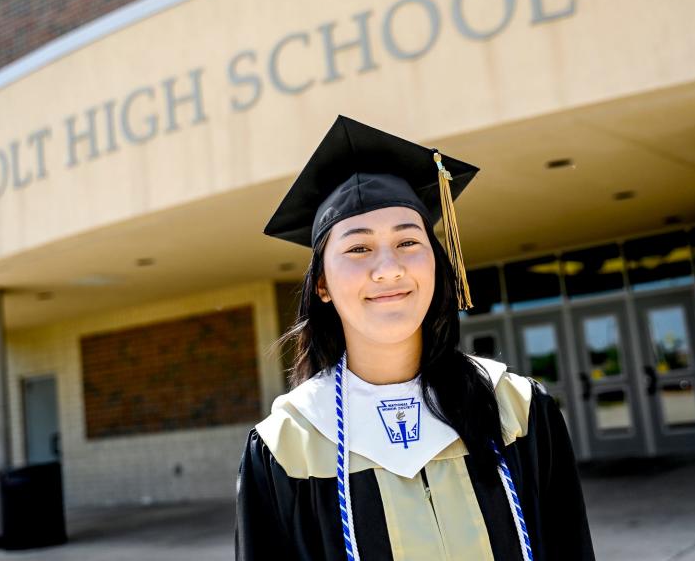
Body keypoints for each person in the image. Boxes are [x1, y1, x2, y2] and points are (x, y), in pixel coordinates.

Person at [236, 115, 595, 560]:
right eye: (358, 248)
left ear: (436, 264)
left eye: (408, 242)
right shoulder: (289, 445)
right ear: (322, 285)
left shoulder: (516, 410)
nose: (389, 268)